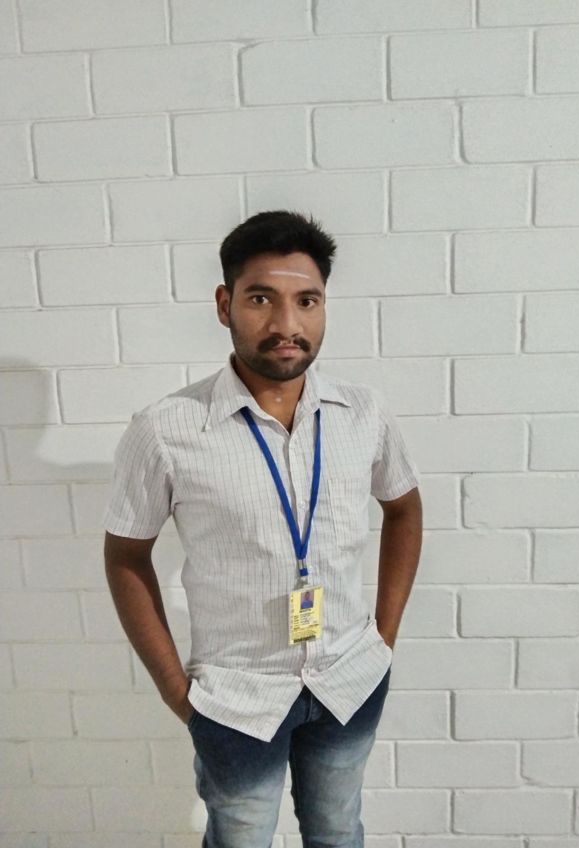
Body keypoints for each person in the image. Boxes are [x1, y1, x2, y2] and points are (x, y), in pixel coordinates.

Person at [102, 209, 423, 848]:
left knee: (338, 833)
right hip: (234, 700)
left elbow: (404, 509)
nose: (286, 324)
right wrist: (176, 691)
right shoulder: (166, 429)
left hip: (349, 680)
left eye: (307, 301)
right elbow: (126, 557)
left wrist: (382, 640)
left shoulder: (363, 413)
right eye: (260, 299)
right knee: (241, 839)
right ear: (225, 305)